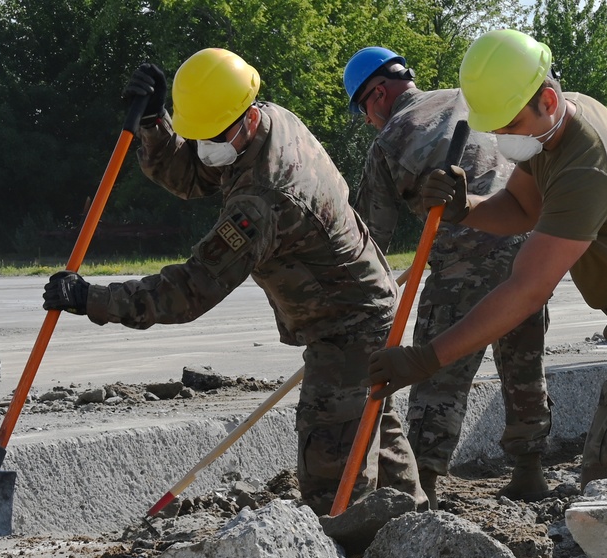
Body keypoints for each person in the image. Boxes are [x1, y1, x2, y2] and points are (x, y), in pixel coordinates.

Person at [41, 48, 424, 515]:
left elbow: (191, 290)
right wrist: (155, 124)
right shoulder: (265, 120)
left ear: (240, 120)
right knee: (372, 430)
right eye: (197, 135)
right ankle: (415, 530)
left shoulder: (263, 200)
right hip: (364, 303)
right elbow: (193, 174)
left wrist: (92, 298)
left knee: (331, 472)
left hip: (349, 324)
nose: (205, 145)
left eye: (211, 135)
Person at [367, 30, 607, 489]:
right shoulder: (557, 128)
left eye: (510, 125)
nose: (501, 139)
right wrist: (466, 207)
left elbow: (525, 289)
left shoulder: (584, 167)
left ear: (548, 100)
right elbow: (522, 209)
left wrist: (426, 358)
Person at [342, 46, 552, 509]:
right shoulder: (470, 97)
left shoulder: (393, 136)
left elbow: (367, 236)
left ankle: (426, 485)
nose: (367, 121)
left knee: (438, 368)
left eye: (363, 111)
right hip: (528, 245)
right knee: (523, 363)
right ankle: (529, 470)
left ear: (378, 94)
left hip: (464, 256)